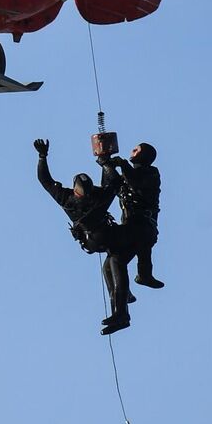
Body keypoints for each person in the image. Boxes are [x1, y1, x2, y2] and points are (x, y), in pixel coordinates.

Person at [35, 137, 133, 335]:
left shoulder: (67, 198)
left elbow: (45, 180)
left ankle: (120, 308)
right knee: (116, 262)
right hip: (107, 236)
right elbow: (113, 183)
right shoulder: (97, 197)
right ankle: (121, 308)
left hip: (94, 241)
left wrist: (42, 157)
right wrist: (105, 160)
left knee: (109, 267)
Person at [106, 142, 163, 289]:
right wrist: (107, 166)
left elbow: (136, 182)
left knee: (141, 248)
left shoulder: (151, 173)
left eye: (137, 150)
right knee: (113, 262)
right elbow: (115, 185)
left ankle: (144, 276)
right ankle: (122, 292)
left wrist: (123, 164)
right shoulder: (128, 177)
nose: (132, 151)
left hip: (143, 224)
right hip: (130, 224)